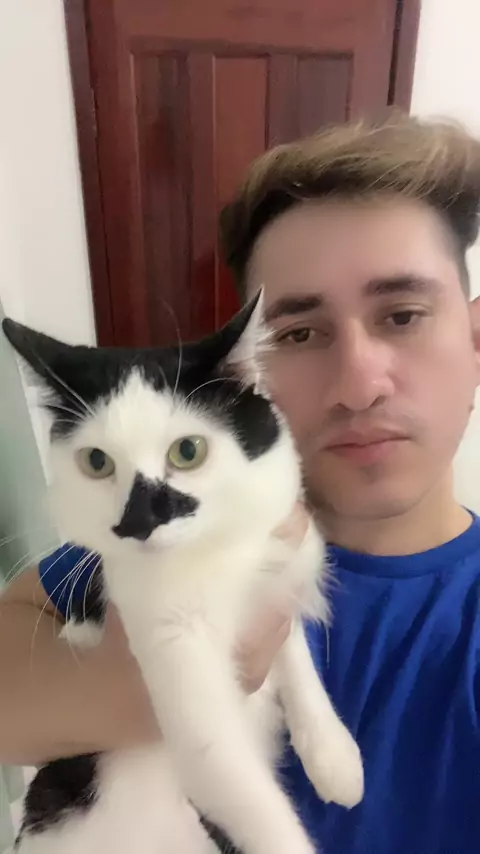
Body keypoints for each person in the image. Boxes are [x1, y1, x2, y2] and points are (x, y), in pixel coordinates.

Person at [2, 112, 480, 854]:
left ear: (475, 336)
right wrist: (139, 694)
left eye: (403, 315)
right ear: (246, 373)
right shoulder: (167, 536)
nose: (359, 385)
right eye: (299, 333)